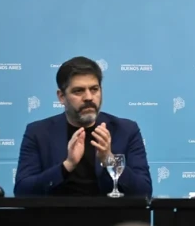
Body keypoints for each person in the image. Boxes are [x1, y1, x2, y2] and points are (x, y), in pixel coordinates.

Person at [14, 56, 152, 197]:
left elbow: (144, 191)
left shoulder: (126, 130)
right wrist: (67, 165)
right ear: (61, 97)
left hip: (112, 216)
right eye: (78, 91)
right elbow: (22, 191)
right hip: (57, 216)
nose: (88, 97)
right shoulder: (38, 132)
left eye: (94, 89)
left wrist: (109, 160)